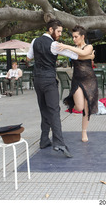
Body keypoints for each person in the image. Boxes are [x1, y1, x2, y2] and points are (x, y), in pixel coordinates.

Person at [26, 19, 94, 158]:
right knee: (54, 111)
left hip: (37, 80)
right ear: (50, 30)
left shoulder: (34, 41)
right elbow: (76, 55)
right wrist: (91, 55)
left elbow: (29, 58)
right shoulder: (54, 45)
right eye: (58, 31)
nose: (60, 34)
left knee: (44, 110)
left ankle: (44, 140)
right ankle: (59, 143)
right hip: (48, 80)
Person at [58, 25, 98, 143]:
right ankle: (72, 104)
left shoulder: (89, 46)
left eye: (76, 37)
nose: (74, 39)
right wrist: (90, 56)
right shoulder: (73, 49)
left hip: (90, 80)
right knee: (79, 107)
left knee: (86, 108)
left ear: (82, 37)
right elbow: (80, 55)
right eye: (73, 37)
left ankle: (84, 131)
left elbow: (83, 52)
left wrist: (66, 46)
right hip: (77, 80)